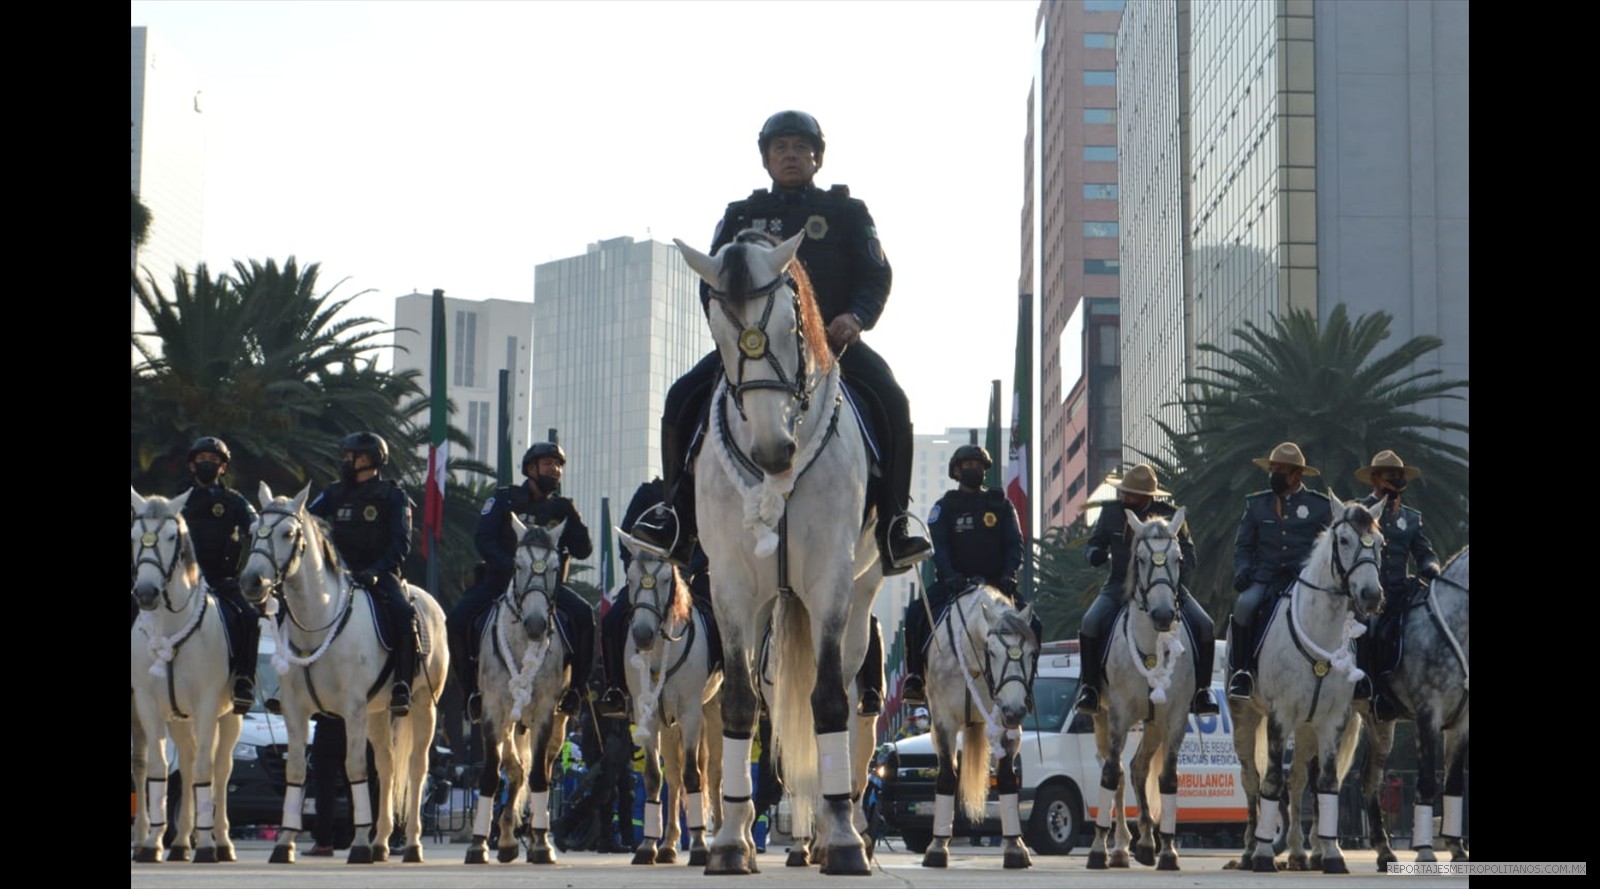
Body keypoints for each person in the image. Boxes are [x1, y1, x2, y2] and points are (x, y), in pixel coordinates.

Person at [630, 109, 931, 575]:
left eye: (800, 148)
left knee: (894, 401)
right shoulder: (740, 215)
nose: (791, 156)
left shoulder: (847, 213)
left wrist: (856, 316)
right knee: (680, 399)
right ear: (766, 159)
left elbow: (876, 274)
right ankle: (677, 517)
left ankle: (894, 523)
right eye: (780, 148)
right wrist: (734, 333)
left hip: (832, 347)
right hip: (754, 351)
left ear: (817, 158)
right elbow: (711, 280)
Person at [447, 442, 595, 722]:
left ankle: (576, 691)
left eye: (558, 465)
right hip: (500, 582)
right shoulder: (504, 500)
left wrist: (573, 519)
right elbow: (484, 539)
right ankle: (471, 693)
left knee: (585, 615)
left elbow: (584, 550)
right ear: (531, 469)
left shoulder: (562, 507)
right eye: (548, 463)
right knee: (456, 620)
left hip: (547, 590)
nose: (555, 469)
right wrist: (510, 567)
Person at [1073, 464, 1219, 716]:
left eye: (1131, 494)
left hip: (1165, 588)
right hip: (1120, 585)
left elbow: (1190, 554)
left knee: (1205, 625)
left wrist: (1175, 569)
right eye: (1124, 491)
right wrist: (1094, 553)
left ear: (1147, 496)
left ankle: (1203, 692)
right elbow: (1094, 544)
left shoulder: (1170, 516)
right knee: (1090, 622)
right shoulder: (1110, 513)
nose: (1125, 497)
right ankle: (1090, 688)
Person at [900, 444, 1039, 704]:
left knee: (1035, 625)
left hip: (998, 586)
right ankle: (916, 677)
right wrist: (951, 575)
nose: (974, 470)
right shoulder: (944, 507)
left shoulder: (1001, 505)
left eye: (979, 466)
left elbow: (1014, 545)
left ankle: (1026, 684)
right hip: (956, 584)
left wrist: (1010, 574)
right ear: (956, 470)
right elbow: (938, 548)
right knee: (916, 613)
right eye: (968, 466)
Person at [307, 431, 418, 716]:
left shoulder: (394, 496)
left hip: (379, 574)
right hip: (337, 574)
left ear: (368, 459)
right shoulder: (334, 492)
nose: (345, 461)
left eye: (350, 456)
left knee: (404, 614)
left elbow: (401, 543)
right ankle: (291, 683)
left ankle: (402, 685)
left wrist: (376, 571)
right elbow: (306, 519)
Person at [598, 478, 719, 718]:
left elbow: (712, 541)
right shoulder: (647, 493)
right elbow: (626, 542)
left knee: (722, 619)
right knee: (612, 620)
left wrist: (684, 573)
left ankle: (732, 681)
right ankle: (615, 689)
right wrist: (641, 572)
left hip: (691, 578)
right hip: (650, 579)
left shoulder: (702, 488)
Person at [1228, 442, 1335, 700]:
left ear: (1297, 474)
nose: (1274, 474)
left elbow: (1334, 546)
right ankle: (1242, 672)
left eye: (1280, 470)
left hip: (1304, 579)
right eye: (1272, 468)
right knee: (1244, 606)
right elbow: (1244, 545)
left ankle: (1347, 673)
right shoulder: (1256, 505)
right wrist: (1244, 570)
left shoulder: (1319, 506)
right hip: (1265, 577)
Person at [175, 436, 262, 715]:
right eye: (202, 460)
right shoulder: (178, 500)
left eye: (214, 461)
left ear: (223, 468)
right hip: (183, 581)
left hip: (222, 581)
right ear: (192, 465)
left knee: (249, 618)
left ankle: (244, 681)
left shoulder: (234, 501)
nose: (207, 465)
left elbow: (257, 528)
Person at [1354, 450, 1442, 721]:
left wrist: (1431, 566)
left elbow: (1424, 551)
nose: (1396, 479)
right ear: (1375, 479)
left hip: (1401, 592)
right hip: (1368, 595)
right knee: (1372, 631)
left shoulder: (1411, 518)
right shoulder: (1359, 512)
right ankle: (1371, 690)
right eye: (1390, 474)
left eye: (1400, 475)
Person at [304, 712, 379, 856]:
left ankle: (324, 842)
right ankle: (361, 836)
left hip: (327, 730)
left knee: (324, 791)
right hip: (357, 732)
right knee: (360, 790)